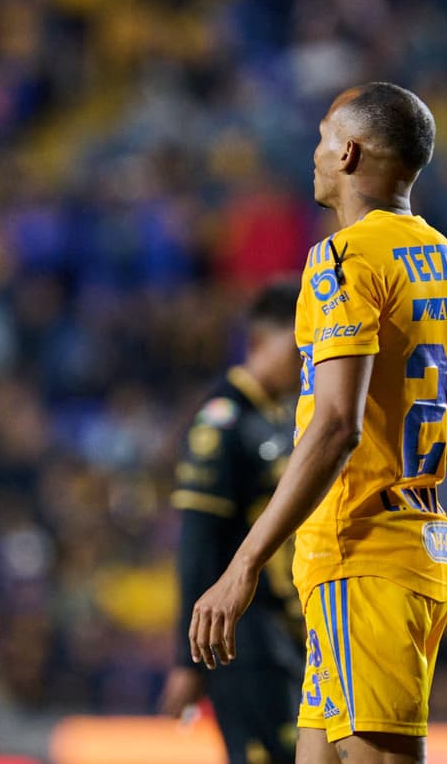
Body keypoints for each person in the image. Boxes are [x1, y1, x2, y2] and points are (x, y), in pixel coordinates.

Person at [188, 83, 447, 764]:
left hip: (362, 557)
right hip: (410, 557)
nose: (313, 154)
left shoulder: (343, 260)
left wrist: (245, 562)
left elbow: (337, 425)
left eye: (321, 138)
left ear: (347, 151)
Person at [159, 281, 304, 764]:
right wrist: (188, 657)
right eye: (298, 346)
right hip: (241, 634)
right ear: (261, 341)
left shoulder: (281, 418)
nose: (307, 360)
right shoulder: (223, 422)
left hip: (282, 629)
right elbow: (198, 542)